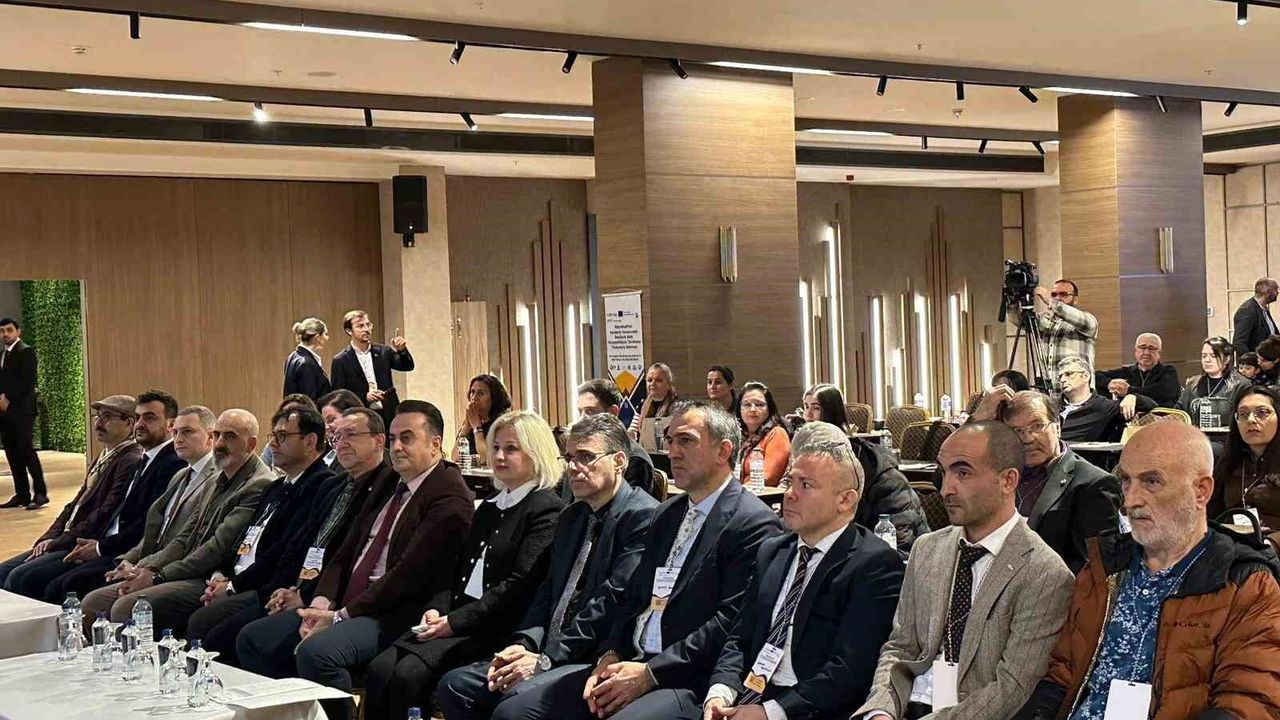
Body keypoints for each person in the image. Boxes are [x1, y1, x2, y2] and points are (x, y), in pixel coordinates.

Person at [487, 400, 783, 720]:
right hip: (630, 660)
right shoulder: (667, 514)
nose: (673, 452)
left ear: (723, 451)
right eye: (670, 440)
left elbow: (729, 622)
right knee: (514, 712)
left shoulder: (751, 522)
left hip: (683, 676)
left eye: (686, 441)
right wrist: (611, 652)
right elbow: (633, 597)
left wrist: (649, 673)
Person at [1014, 421, 1280, 720]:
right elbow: (1062, 675)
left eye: (1152, 481)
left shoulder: (1244, 583)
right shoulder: (1104, 568)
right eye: (1126, 481)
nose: (1130, 500)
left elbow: (1249, 703)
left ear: (1201, 491)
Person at [236, 400, 474, 720]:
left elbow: (408, 575)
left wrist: (337, 617)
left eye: (407, 438)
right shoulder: (390, 481)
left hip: (392, 611)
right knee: (253, 639)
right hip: (345, 603)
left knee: (317, 654)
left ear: (435, 444)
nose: (397, 447)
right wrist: (320, 603)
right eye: (393, 438)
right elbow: (345, 551)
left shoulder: (449, 494)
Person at [436, 413, 659, 720]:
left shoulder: (644, 518)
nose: (573, 467)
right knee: (456, 685)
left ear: (619, 461)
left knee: (512, 707)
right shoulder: (573, 516)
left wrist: (546, 659)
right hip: (548, 648)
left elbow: (609, 602)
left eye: (585, 457)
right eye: (569, 458)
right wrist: (524, 643)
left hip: (596, 655)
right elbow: (548, 590)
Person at [855, 422, 1074, 720]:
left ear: (1008, 480)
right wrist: (880, 710)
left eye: (963, 473)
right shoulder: (927, 549)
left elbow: (1011, 689)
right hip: (904, 705)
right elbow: (900, 647)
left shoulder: (1044, 574)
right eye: (944, 472)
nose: (945, 489)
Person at [696, 421, 905, 720]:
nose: (790, 494)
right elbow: (739, 637)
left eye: (805, 485)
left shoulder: (874, 564)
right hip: (750, 694)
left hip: (811, 708)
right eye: (790, 482)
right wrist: (720, 692)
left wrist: (770, 713)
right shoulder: (773, 551)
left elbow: (849, 671)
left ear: (845, 500)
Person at [365, 410, 566, 720]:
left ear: (536, 452)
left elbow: (518, 585)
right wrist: (437, 609)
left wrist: (454, 622)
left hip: (493, 627)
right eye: (495, 447)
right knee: (379, 669)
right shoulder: (489, 507)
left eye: (511, 449)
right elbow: (454, 569)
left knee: (408, 675)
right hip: (455, 618)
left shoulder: (545, 508)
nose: (499, 456)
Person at [79, 409, 275, 636]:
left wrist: (159, 575)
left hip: (210, 575)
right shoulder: (214, 480)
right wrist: (146, 567)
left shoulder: (259, 484)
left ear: (251, 444)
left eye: (230, 436)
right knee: (93, 602)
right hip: (182, 567)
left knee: (126, 608)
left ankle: (142, 658)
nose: (220, 443)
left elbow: (217, 548)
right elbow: (184, 537)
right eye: (218, 435)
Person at [186, 407, 342, 665]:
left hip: (266, 586)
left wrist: (233, 587)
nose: (273, 444)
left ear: (310, 441)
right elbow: (243, 539)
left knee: (207, 626)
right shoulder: (277, 486)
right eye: (273, 436)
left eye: (282, 436)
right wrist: (221, 575)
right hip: (239, 578)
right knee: (199, 617)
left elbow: (285, 549)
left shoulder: (320, 485)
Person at [18, 391, 186, 602]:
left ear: (170, 425)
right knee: (25, 577)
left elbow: (147, 524)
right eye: (138, 417)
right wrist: (56, 537)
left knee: (45, 583)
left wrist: (97, 547)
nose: (140, 424)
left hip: (125, 550)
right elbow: (80, 504)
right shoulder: (144, 458)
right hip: (102, 542)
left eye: (150, 418)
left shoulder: (170, 463)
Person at [59, 406, 219, 615]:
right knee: (87, 596)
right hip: (150, 559)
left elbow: (185, 540)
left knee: (104, 600)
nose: (179, 439)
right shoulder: (180, 475)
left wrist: (145, 567)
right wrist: (126, 560)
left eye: (188, 432)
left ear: (210, 437)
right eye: (176, 432)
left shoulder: (216, 477)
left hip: (178, 567)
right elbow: (154, 531)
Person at [257, 408, 398, 628]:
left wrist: (305, 596)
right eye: (337, 437)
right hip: (300, 587)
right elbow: (302, 542)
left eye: (351, 435)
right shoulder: (331, 485)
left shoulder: (387, 488)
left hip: (334, 598)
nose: (342, 444)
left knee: (249, 635)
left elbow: (348, 556)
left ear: (379, 441)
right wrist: (289, 589)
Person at [0, 395, 143, 590]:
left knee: (19, 578)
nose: (99, 422)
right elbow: (74, 504)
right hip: (66, 538)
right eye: (98, 416)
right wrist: (48, 536)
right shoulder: (105, 456)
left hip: (81, 542)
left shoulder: (130, 460)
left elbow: (105, 511)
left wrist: (58, 542)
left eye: (108, 416)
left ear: (130, 423)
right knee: (4, 572)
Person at [972, 389, 1122, 572]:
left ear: (1057, 427)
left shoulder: (1092, 484)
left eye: (1037, 426)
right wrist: (977, 420)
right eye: (1016, 431)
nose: (1027, 439)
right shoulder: (1001, 472)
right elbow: (950, 469)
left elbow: (1094, 570)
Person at [802, 384, 929, 550]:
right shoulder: (813, 463)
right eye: (806, 407)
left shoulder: (883, 478)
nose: (808, 415)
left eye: (816, 408)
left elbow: (898, 548)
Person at [1209, 385, 1280, 548]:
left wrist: (1272, 543)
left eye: (1262, 413)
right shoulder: (1228, 463)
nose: (1251, 420)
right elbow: (1211, 515)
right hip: (1233, 547)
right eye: (1243, 414)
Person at [330, 309, 414, 429]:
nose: (366, 329)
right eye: (360, 326)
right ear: (349, 331)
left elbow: (407, 366)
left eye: (368, 325)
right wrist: (365, 397)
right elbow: (339, 395)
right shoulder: (341, 360)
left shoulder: (383, 351)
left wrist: (402, 350)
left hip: (388, 412)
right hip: (360, 415)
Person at [576, 379, 658, 498]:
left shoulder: (634, 459)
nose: (582, 419)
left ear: (613, 412)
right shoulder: (576, 455)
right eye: (580, 412)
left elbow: (631, 506)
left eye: (590, 411)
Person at [0, 317, 47, 509]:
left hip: (23, 411)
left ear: (18, 332)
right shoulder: (2, 355)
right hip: (5, 412)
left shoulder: (26, 352)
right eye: (2, 331)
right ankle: (22, 495)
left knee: (27, 451)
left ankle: (41, 493)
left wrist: (8, 396)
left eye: (9, 330)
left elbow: (28, 380)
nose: (5, 334)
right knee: (12, 453)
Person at [1035, 279, 1098, 388]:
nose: (1058, 298)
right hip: (1047, 390)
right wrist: (1012, 303)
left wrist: (1051, 302)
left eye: (1063, 294)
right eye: (1054, 295)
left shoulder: (1087, 319)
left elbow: (1084, 321)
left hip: (1077, 392)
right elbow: (1018, 320)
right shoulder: (1045, 320)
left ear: (1075, 299)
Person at [1177, 336, 1251, 429]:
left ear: (1226, 359)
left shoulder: (1241, 385)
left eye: (1213, 356)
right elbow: (1179, 413)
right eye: (1204, 356)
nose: (1207, 360)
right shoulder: (1193, 384)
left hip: (1227, 437)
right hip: (1196, 436)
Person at [1094, 332, 1180, 409]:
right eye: (1142, 347)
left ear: (1159, 353)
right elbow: (1095, 376)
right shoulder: (1126, 372)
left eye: (1151, 348)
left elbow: (1164, 391)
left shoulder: (1168, 371)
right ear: (1136, 351)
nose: (1146, 352)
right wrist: (1109, 383)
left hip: (1160, 418)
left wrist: (1129, 391)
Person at [1056, 356, 1124, 442]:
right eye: (1060, 377)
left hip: (1078, 449)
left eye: (1069, 374)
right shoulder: (1051, 406)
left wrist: (1132, 397)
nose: (1062, 380)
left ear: (1086, 376)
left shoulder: (1103, 406)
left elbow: (1140, 407)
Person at [738, 381, 791, 488]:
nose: (753, 409)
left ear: (769, 409)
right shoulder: (740, 435)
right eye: (747, 404)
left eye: (759, 405)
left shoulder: (777, 433)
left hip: (763, 495)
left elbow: (768, 477)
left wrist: (734, 492)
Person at [453, 374, 513, 467]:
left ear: (494, 398)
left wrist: (477, 428)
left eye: (480, 393)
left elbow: (486, 459)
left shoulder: (502, 423)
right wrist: (466, 427)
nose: (474, 398)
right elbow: (455, 457)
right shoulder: (472, 421)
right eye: (472, 392)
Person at [283, 317, 332, 403]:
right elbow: (310, 400)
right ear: (317, 337)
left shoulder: (292, 356)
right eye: (325, 334)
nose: (327, 338)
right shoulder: (307, 363)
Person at [627, 363, 679, 442]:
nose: (653, 383)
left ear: (668, 384)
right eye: (649, 380)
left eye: (658, 380)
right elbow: (633, 430)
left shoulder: (677, 406)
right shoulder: (642, 406)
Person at [318, 389, 365, 469]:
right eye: (323, 422)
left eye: (331, 419)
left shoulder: (366, 453)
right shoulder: (323, 452)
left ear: (352, 416)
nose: (326, 427)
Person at [1232, 276, 1279, 355]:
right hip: (1256, 361)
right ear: (1267, 292)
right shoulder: (1247, 310)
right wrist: (1251, 361)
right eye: (1276, 289)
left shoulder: (1263, 309)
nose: (1278, 292)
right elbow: (1239, 343)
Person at [964, 371, 1031, 415]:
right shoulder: (980, 401)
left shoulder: (1024, 411)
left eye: (1005, 389)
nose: (998, 392)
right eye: (996, 387)